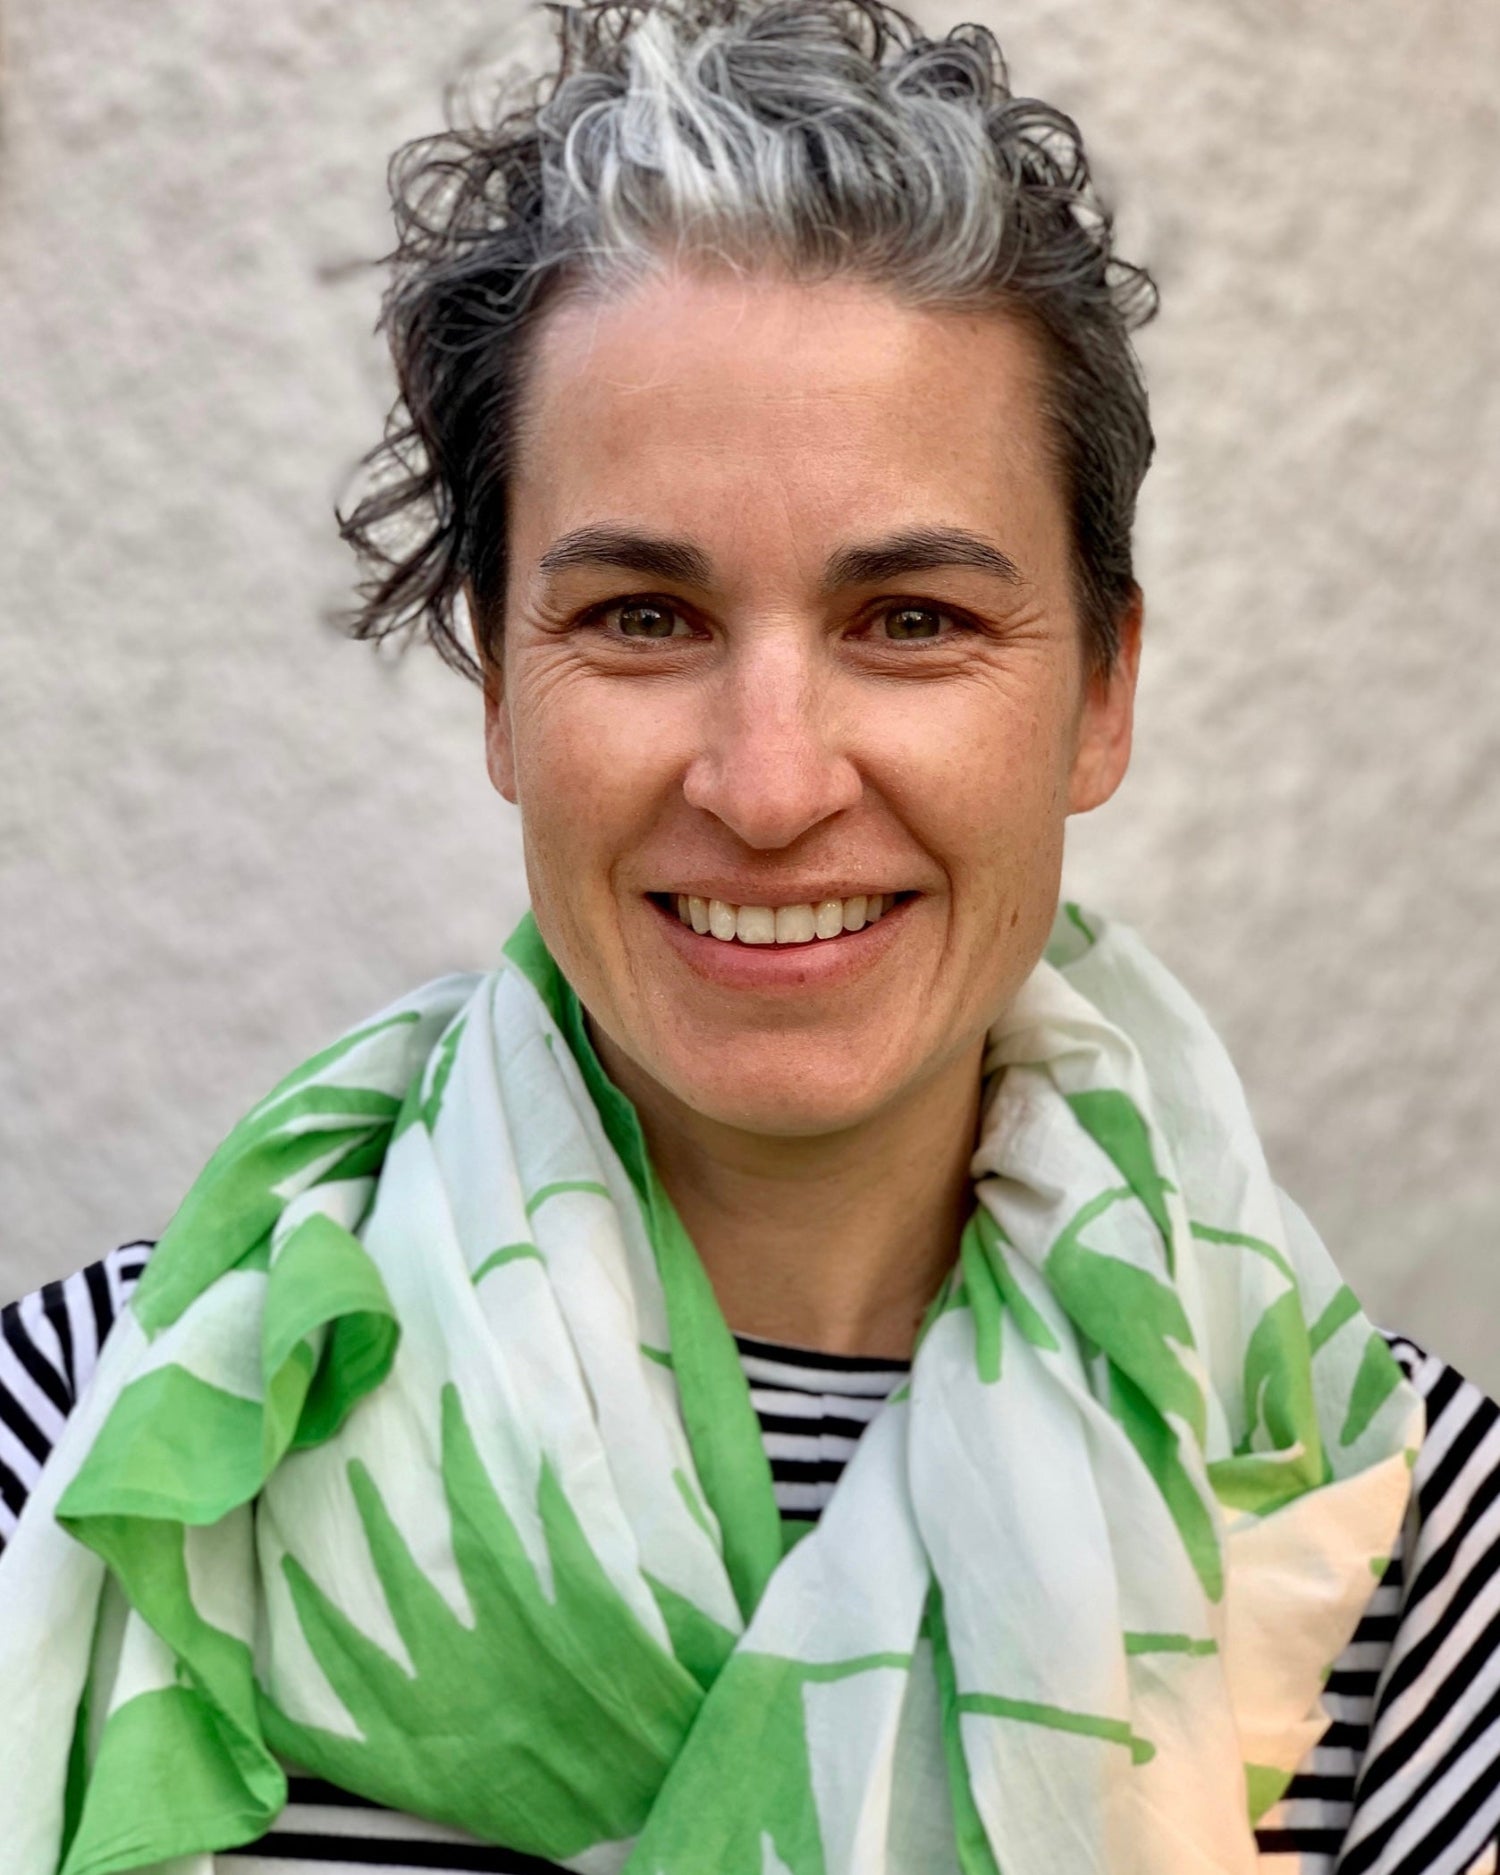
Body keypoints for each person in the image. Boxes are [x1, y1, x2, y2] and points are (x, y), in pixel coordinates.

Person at [1, 2, 1495, 1870]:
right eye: (640, 617)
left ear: (1101, 693)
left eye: (914, 622)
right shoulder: (98, 1438)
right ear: (497, 688)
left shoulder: (1400, 1531)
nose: (771, 784)